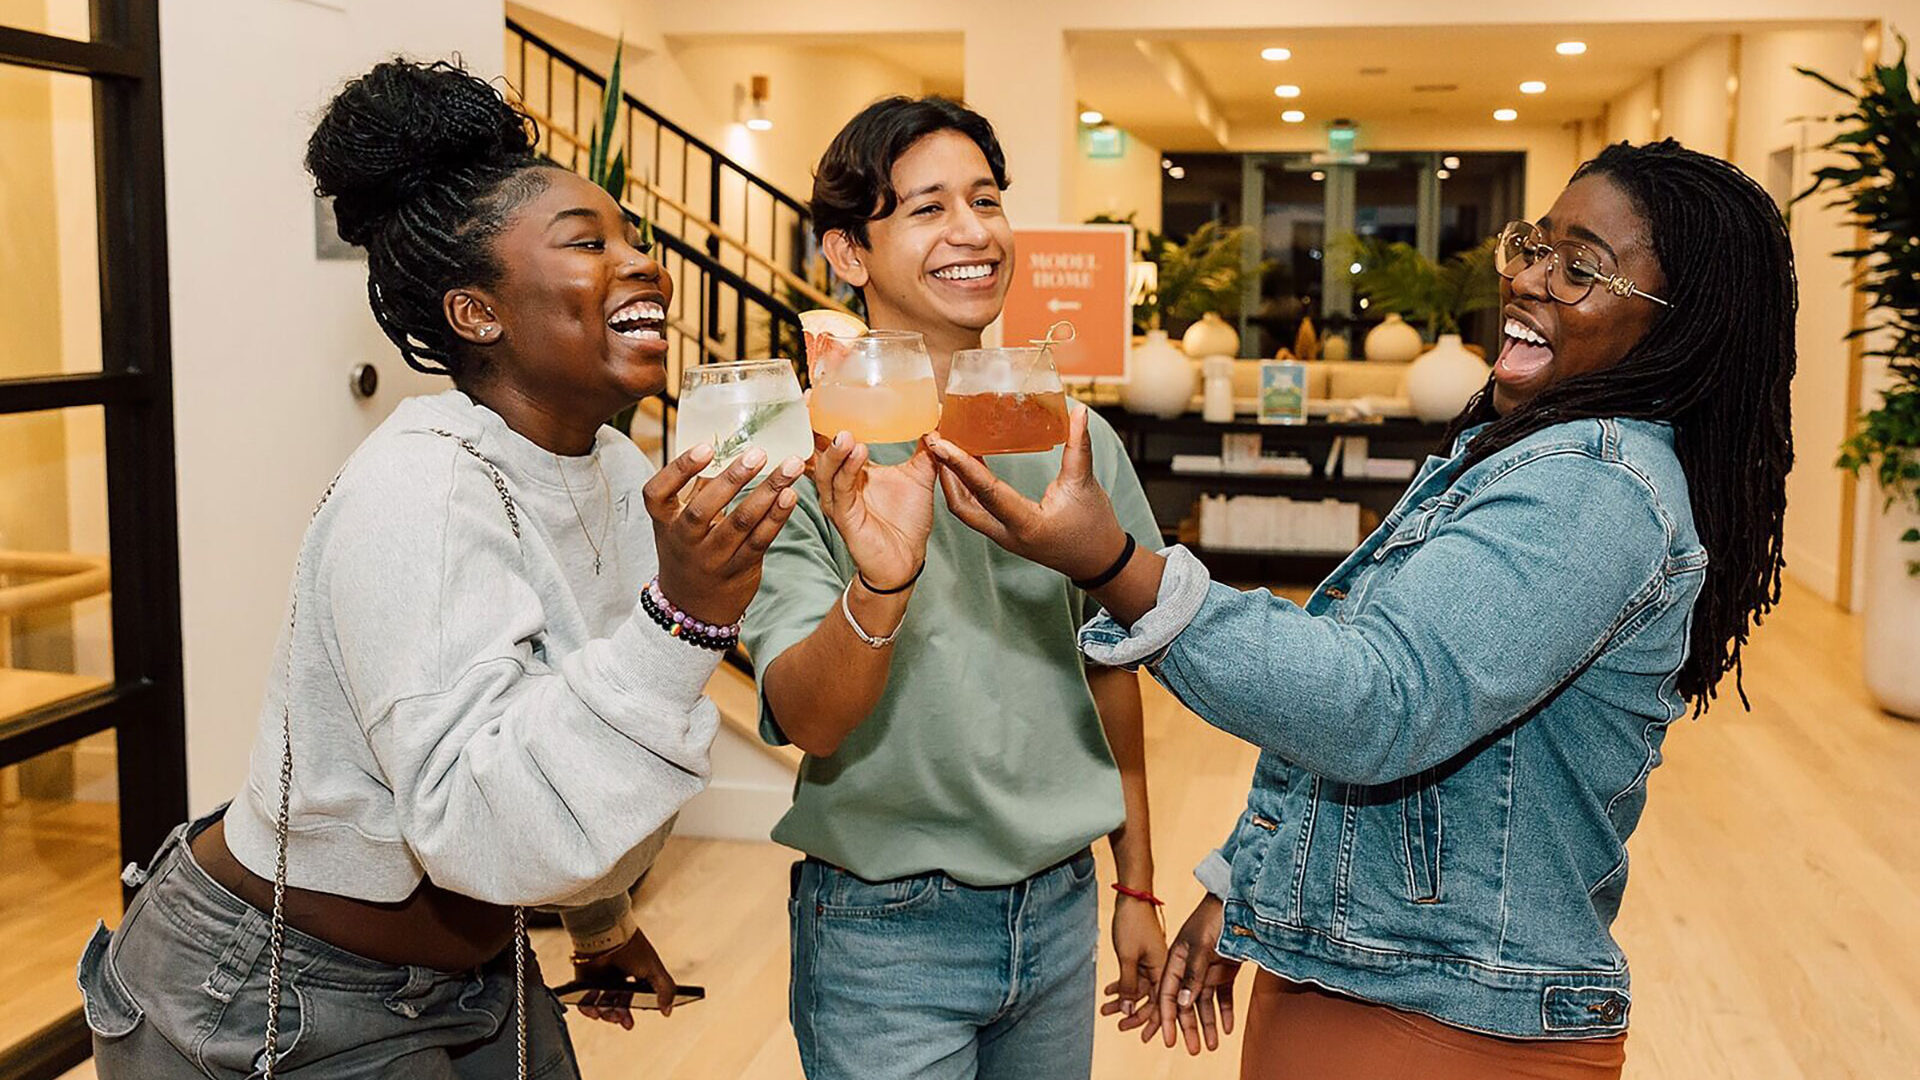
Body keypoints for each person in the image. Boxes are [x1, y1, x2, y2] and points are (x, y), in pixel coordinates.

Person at [926, 138, 1795, 1080]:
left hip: (1448, 1025)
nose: (1532, 278)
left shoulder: (1596, 490)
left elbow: (1378, 704)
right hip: (1367, 986)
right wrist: (1247, 883)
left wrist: (1114, 564)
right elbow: (1375, 683)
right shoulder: (1519, 452)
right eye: (1536, 244)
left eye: (1581, 267)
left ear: (1680, 327)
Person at [76, 60, 805, 1078]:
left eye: (633, 237)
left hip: (482, 972)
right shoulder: (420, 491)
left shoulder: (616, 469)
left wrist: (597, 919)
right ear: (476, 314)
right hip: (276, 994)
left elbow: (547, 713)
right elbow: (471, 813)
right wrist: (681, 619)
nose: (642, 263)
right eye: (588, 244)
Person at [741, 95, 1167, 1080]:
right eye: (928, 208)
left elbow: (1112, 671)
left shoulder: (1075, 442)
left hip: (1059, 908)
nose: (973, 232)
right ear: (849, 253)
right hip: (884, 930)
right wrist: (880, 588)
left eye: (986, 199)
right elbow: (812, 720)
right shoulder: (804, 456)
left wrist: (1135, 884)